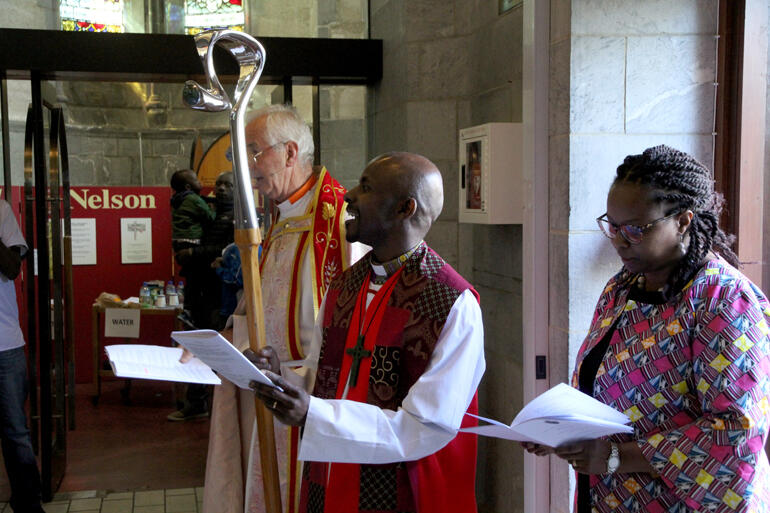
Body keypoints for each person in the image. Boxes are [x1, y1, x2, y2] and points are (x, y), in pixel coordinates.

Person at [523, 145, 770, 512]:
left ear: (683, 221)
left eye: (637, 229)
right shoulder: (622, 287)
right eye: (614, 226)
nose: (620, 241)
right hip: (610, 497)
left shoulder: (723, 300)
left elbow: (735, 433)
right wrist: (562, 431)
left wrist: (615, 457)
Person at [250, 152, 485, 513]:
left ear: (405, 208)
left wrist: (314, 415)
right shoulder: (344, 286)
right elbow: (322, 381)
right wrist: (280, 378)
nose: (349, 196)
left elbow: (425, 426)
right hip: (329, 482)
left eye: (367, 187)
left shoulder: (452, 303)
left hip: (402, 491)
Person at [202, 104, 363, 513]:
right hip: (269, 392)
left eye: (254, 151)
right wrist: (223, 342)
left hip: (311, 399)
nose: (246, 164)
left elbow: (357, 324)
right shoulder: (276, 220)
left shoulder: (343, 220)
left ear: (290, 153)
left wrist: (299, 380)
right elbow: (260, 305)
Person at [169, 171, 235, 422]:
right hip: (198, 288)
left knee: (219, 349)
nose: (221, 188)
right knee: (193, 345)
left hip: (220, 294)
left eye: (227, 185)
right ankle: (195, 403)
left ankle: (222, 409)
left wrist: (194, 254)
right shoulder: (208, 210)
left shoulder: (236, 218)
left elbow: (228, 251)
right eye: (218, 183)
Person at [0, 199, 44, 513]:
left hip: (5, 346)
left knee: (15, 431)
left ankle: (28, 504)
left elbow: (13, 267)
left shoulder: (0, 210)